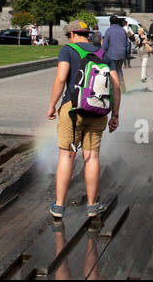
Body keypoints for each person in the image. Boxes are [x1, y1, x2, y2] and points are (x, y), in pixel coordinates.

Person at [46, 20, 122, 218]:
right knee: (92, 158)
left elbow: (61, 78)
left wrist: (52, 106)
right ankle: (92, 205)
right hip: (97, 110)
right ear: (87, 34)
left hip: (72, 110)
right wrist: (115, 115)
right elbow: (116, 87)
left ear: (72, 35)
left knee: (66, 156)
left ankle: (59, 206)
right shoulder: (103, 54)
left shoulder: (67, 50)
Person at [103, 15, 131, 96]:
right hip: (121, 54)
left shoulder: (108, 30)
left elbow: (105, 45)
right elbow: (127, 43)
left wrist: (101, 54)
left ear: (110, 22)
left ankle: (114, 90)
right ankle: (123, 89)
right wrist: (126, 53)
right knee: (119, 70)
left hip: (112, 54)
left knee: (112, 71)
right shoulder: (122, 30)